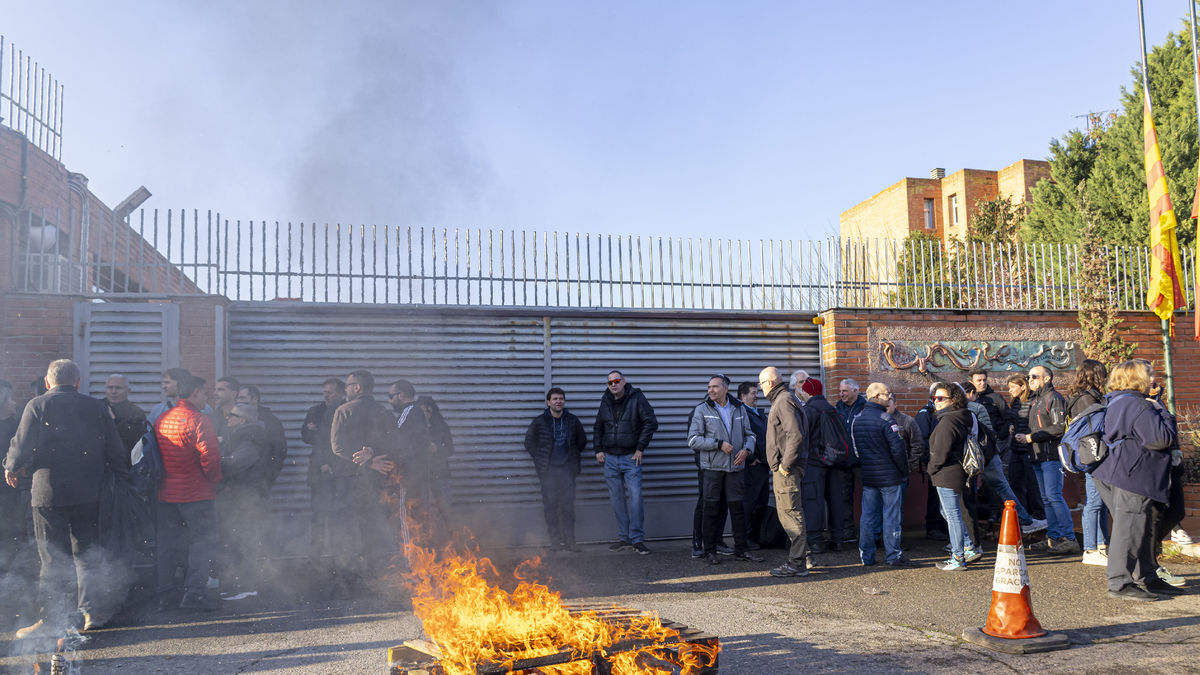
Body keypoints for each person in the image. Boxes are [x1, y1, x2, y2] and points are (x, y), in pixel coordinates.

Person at [5, 360, 130, 636]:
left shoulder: (37, 405)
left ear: (48, 383)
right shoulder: (96, 406)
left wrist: (10, 467)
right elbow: (115, 446)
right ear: (77, 382)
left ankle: (52, 620)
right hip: (89, 492)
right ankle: (91, 613)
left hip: (48, 493)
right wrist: (124, 478)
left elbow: (21, 443)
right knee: (87, 553)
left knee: (52, 557)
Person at [1092, 361, 1178, 600]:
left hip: (1116, 472)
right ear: (1137, 378)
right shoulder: (1139, 404)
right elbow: (1161, 439)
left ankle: (1146, 577)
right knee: (1129, 527)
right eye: (1149, 375)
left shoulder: (1116, 399)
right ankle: (1120, 582)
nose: (1153, 379)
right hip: (1133, 475)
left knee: (1139, 526)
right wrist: (1161, 410)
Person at [154, 375, 222, 611]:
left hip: (166, 494)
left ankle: (165, 596)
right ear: (194, 393)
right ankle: (193, 595)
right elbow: (210, 459)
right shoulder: (200, 420)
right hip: (197, 494)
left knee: (168, 546)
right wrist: (216, 482)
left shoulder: (163, 418)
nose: (207, 397)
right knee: (201, 544)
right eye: (204, 393)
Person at [329, 370, 397, 592]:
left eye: (348, 386)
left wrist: (366, 462)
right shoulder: (384, 411)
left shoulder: (344, 410)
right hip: (377, 480)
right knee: (372, 527)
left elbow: (337, 447)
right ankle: (376, 578)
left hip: (349, 480)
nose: (346, 390)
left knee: (348, 528)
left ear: (357, 387)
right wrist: (373, 457)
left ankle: (350, 582)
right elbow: (395, 442)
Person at [688, 375, 762, 565]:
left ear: (726, 389)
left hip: (736, 468)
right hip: (712, 468)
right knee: (710, 509)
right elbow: (693, 440)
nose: (710, 390)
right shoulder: (701, 410)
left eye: (715, 387)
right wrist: (718, 444)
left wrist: (747, 450)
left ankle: (741, 550)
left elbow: (750, 434)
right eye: (709, 387)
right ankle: (710, 551)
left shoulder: (739, 408)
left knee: (738, 509)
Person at [1014, 366, 1079, 555]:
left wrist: (1030, 438)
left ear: (1047, 378)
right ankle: (1053, 537)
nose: (1030, 380)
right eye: (1029, 377)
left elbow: (1058, 428)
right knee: (1046, 498)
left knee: (1054, 496)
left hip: (1051, 457)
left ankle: (1069, 538)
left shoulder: (1054, 398)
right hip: (1037, 457)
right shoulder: (1036, 400)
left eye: (1034, 376)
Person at [853, 383, 918, 567]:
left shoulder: (858, 419)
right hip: (890, 477)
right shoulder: (887, 420)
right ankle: (893, 555)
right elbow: (898, 449)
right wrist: (903, 471)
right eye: (886, 394)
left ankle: (867, 557)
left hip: (869, 476)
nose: (889, 397)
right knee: (891, 516)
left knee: (867, 517)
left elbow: (857, 451)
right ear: (875, 397)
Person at [594, 370, 658, 555]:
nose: (613, 384)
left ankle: (637, 539)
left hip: (631, 457)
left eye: (616, 381)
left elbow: (651, 422)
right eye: (610, 382)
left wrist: (640, 448)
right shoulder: (605, 400)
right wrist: (598, 449)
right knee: (617, 500)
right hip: (610, 459)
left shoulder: (637, 398)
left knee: (635, 498)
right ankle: (624, 538)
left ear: (623, 381)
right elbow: (598, 426)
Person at [758, 367, 811, 578]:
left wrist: (785, 465)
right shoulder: (783, 399)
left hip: (786, 471)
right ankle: (805, 556)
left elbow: (795, 435)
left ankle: (797, 563)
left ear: (770, 383)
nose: (759, 388)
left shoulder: (783, 401)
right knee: (790, 512)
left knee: (791, 514)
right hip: (785, 469)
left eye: (761, 383)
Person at [216, 403, 271, 593]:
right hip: (245, 496)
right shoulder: (244, 437)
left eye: (231, 415)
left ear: (243, 420)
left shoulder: (249, 439)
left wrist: (212, 460)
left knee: (244, 539)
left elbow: (235, 463)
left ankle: (247, 586)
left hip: (247, 498)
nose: (227, 418)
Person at [524, 388, 587, 552]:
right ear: (548, 402)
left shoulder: (572, 420)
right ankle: (555, 542)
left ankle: (570, 541)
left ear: (564, 401)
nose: (558, 401)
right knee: (550, 506)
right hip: (548, 472)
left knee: (568, 507)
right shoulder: (540, 421)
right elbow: (529, 442)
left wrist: (571, 457)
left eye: (561, 398)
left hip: (567, 471)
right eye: (555, 399)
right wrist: (540, 458)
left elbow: (582, 441)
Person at [926, 382, 980, 571]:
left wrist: (931, 469)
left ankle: (958, 557)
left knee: (953, 515)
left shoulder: (949, 420)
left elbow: (940, 452)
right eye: (934, 398)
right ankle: (968, 547)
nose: (936, 402)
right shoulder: (961, 416)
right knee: (947, 512)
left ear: (953, 400)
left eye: (941, 398)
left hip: (947, 473)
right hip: (954, 472)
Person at [796, 375, 850, 553]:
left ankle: (815, 540)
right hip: (834, 462)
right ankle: (838, 539)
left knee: (813, 501)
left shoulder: (808, 411)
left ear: (808, 392)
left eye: (803, 390)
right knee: (835, 501)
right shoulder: (832, 409)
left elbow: (802, 438)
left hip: (814, 464)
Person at [1065, 359, 1109, 567]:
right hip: (1094, 455)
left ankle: (1100, 546)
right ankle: (1091, 548)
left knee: (1098, 502)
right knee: (1094, 503)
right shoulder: (1089, 400)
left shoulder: (1077, 397)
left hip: (1086, 454)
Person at [302, 378, 345, 564]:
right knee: (318, 516)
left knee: (339, 516)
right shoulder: (316, 411)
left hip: (340, 475)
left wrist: (333, 464)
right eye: (324, 392)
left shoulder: (347, 411)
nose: (326, 396)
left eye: (331, 392)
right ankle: (315, 556)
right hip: (319, 474)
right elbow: (307, 435)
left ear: (341, 393)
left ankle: (338, 556)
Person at [1004, 374, 1045, 526]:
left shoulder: (1034, 400)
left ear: (1023, 387)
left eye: (1012, 387)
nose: (1010, 391)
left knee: (1032, 483)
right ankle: (1022, 514)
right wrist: (1010, 426)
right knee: (1015, 482)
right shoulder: (1015, 402)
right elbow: (1012, 419)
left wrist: (1028, 436)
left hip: (1030, 448)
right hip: (1015, 448)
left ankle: (1040, 515)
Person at [831, 378, 865, 547]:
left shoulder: (864, 408)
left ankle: (870, 533)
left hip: (862, 462)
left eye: (844, 391)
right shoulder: (838, 408)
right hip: (843, 462)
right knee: (844, 498)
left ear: (855, 391)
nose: (841, 394)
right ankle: (847, 532)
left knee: (869, 497)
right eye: (840, 391)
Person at [738, 381, 771, 550]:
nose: (757, 395)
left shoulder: (758, 413)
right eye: (753, 393)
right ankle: (747, 539)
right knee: (749, 503)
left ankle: (759, 536)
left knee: (761, 501)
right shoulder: (741, 413)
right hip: (752, 467)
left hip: (764, 465)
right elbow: (739, 437)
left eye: (756, 392)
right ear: (743, 396)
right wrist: (750, 458)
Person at [915, 384, 949, 542]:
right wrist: (930, 458)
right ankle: (933, 528)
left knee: (943, 496)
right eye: (939, 397)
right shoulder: (925, 413)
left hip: (944, 460)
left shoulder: (942, 412)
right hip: (933, 461)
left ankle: (943, 527)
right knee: (935, 495)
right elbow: (923, 439)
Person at [237, 386, 288, 486]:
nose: (239, 402)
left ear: (255, 399)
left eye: (242, 398)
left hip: (261, 482)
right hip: (239, 482)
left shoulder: (270, 421)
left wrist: (269, 476)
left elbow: (279, 450)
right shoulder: (235, 419)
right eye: (238, 398)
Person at [103, 374, 147, 452]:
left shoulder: (136, 413)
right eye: (110, 387)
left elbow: (136, 441)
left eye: (118, 388)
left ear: (128, 391)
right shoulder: (97, 406)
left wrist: (113, 422)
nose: (113, 392)